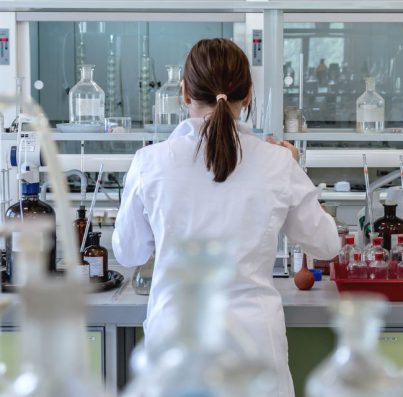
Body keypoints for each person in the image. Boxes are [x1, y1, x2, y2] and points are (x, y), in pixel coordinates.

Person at [112, 39, 341, 397]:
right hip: (255, 349)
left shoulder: (150, 162)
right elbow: (326, 245)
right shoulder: (278, 162)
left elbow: (129, 254)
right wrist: (296, 167)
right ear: (248, 95)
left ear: (184, 92)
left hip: (176, 346)